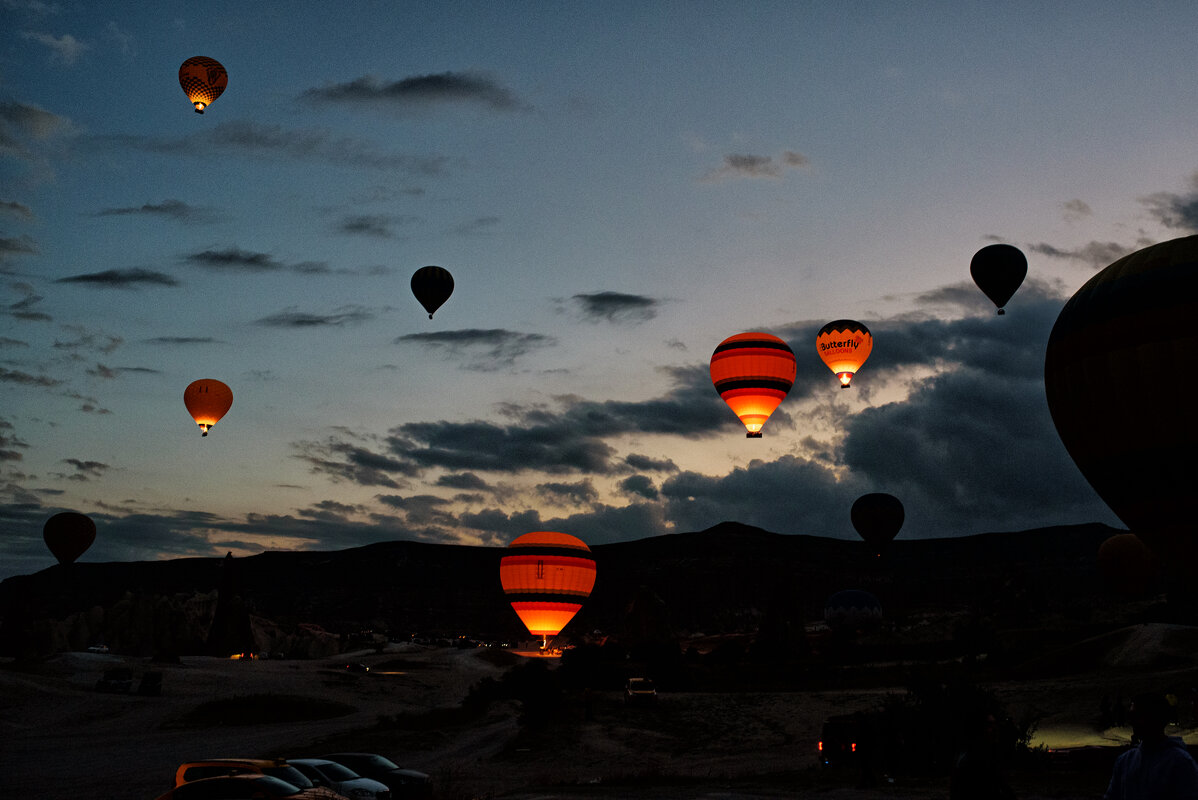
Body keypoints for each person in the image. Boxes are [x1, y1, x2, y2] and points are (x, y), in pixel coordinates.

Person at [1105, 691, 1198, 799]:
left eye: (1138, 716)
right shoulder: (1124, 761)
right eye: (1131, 716)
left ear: (1156, 718)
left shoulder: (1181, 762)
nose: (1132, 722)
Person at [951, 710, 1015, 800]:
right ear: (979, 729)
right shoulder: (977, 758)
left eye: (994, 724)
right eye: (989, 725)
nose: (994, 729)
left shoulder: (967, 753)